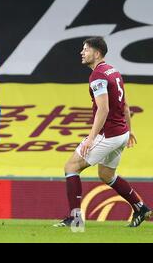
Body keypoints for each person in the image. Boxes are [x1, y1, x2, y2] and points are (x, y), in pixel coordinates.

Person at [54, 37, 151, 228]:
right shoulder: (113, 71)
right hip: (121, 133)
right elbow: (125, 104)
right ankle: (140, 207)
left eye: (86, 49)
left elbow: (104, 109)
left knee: (71, 167)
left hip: (109, 135)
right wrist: (129, 131)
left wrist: (91, 138)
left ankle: (75, 218)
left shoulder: (97, 76)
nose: (82, 52)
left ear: (97, 53)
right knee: (107, 175)